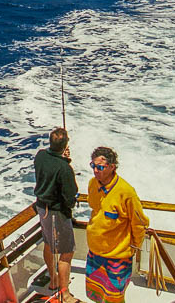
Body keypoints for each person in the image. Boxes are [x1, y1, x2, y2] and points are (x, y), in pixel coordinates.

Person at [85, 147, 149, 303]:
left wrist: (134, 246)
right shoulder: (93, 183)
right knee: (96, 294)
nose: (95, 170)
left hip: (116, 257)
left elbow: (140, 223)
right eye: (93, 166)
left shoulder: (126, 192)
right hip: (95, 252)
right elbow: (95, 208)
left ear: (112, 167)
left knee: (114, 298)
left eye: (100, 167)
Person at [33, 127, 79, 301]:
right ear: (65, 145)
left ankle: (53, 280)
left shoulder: (40, 155)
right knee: (66, 252)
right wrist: (65, 162)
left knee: (49, 244)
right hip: (57, 212)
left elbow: (48, 166)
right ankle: (64, 293)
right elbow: (70, 195)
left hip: (41, 208)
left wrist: (62, 159)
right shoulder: (64, 168)